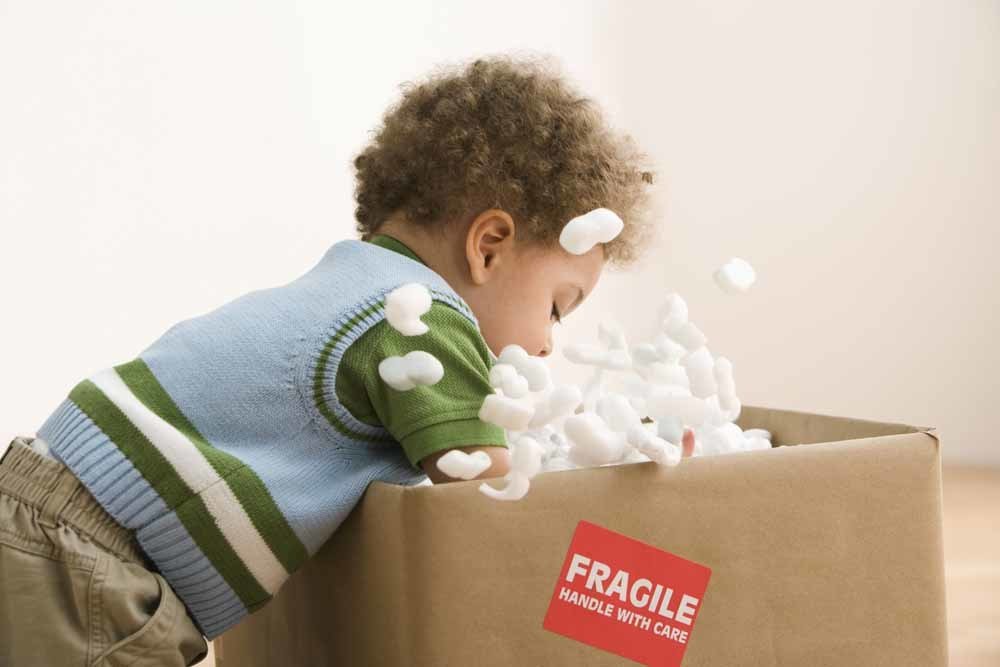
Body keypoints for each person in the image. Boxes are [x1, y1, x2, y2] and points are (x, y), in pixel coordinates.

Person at [0, 54, 692, 665]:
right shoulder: (420, 318)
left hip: (49, 518)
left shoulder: (352, 283)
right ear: (489, 245)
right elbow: (503, 501)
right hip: (93, 567)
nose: (547, 344)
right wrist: (647, 514)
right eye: (556, 306)